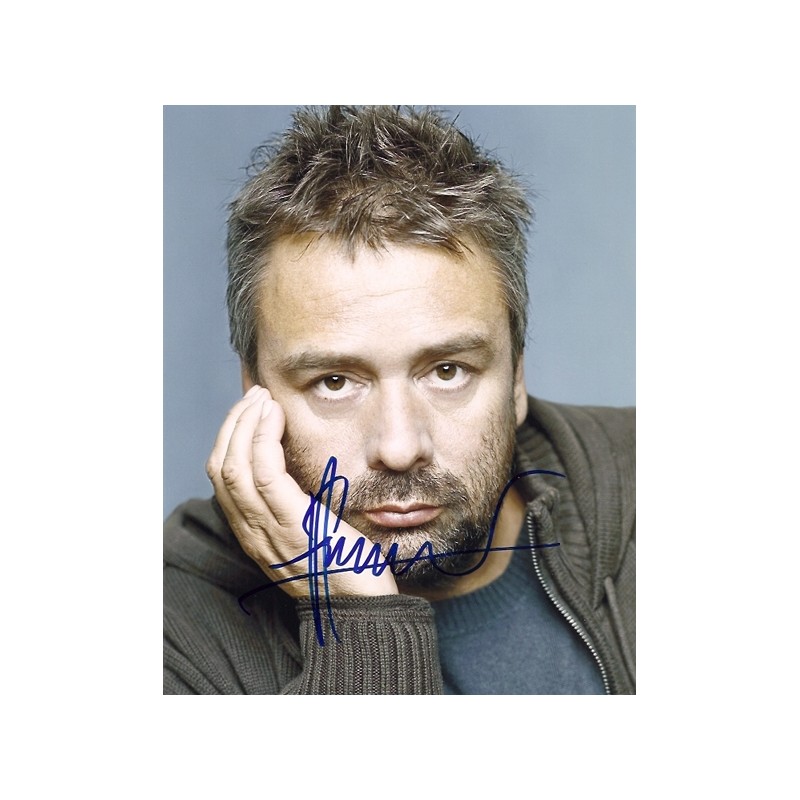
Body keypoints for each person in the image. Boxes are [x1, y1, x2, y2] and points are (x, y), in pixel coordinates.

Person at [163, 105, 635, 695]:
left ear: (516, 378)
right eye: (334, 382)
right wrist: (361, 621)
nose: (399, 447)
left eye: (447, 371)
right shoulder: (169, 629)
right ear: (254, 393)